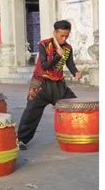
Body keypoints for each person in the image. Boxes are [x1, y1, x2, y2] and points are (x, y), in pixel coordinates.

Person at [16, 20, 84, 150]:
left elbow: (70, 63)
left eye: (67, 36)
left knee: (75, 106)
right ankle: (20, 140)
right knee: (31, 112)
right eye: (61, 36)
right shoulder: (44, 45)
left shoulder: (68, 48)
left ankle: (78, 134)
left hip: (58, 85)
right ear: (55, 33)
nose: (64, 38)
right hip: (40, 84)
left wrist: (76, 72)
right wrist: (58, 56)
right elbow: (45, 66)